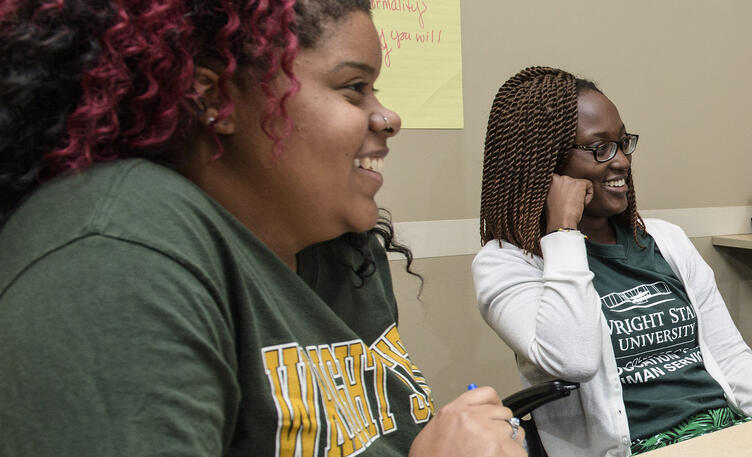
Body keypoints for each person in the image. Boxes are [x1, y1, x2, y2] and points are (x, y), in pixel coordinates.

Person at [0, 1, 523, 456]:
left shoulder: (344, 249)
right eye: (354, 87)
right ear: (215, 99)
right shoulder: (113, 256)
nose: (388, 118)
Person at [473, 67, 752, 456]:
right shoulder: (509, 264)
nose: (623, 161)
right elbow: (572, 361)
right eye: (600, 148)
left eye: (623, 142)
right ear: (545, 166)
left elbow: (729, 354)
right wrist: (562, 233)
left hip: (724, 431)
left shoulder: (665, 239)